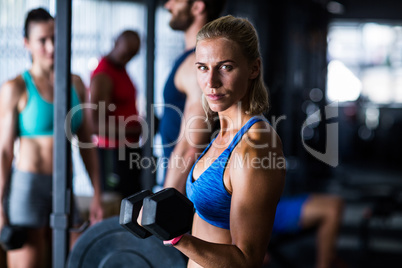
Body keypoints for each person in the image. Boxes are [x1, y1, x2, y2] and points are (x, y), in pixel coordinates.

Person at [145, 15, 286, 267]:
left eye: (225, 67)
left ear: (254, 68)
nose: (210, 83)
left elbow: (247, 260)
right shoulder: (221, 135)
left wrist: (177, 238)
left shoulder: (254, 146)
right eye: (202, 67)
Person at [0, 8, 103, 267]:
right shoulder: (16, 87)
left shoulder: (76, 83)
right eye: (42, 40)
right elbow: (3, 152)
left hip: (65, 186)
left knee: (81, 259)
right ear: (26, 44)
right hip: (28, 188)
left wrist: (97, 194)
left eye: (56, 38)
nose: (51, 46)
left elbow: (87, 144)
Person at [159, 0, 227, 193]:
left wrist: (163, 209)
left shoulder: (200, 62)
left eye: (175, 0)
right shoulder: (191, 58)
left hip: (189, 200)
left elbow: (191, 147)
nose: (168, 5)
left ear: (197, 7)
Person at [89, 30, 143, 199]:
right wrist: (134, 130)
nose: (128, 58)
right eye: (126, 53)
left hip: (127, 151)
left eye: (133, 55)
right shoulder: (104, 75)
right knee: (117, 206)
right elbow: (94, 125)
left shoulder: (119, 69)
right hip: (112, 153)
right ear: (115, 43)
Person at [270, 194, 344, 268]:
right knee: (331, 211)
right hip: (271, 211)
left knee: (337, 203)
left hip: (280, 200)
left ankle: (329, 255)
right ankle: (324, 264)